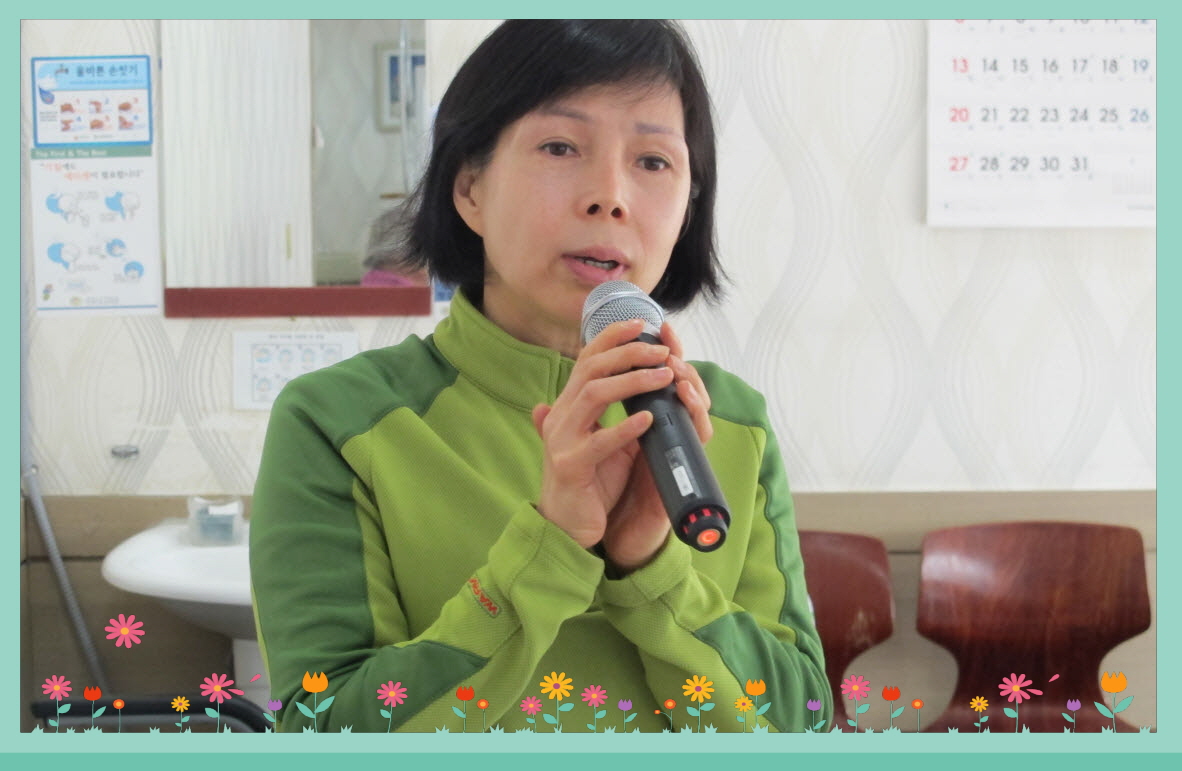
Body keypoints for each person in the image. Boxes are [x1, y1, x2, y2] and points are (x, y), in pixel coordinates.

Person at [250, 19, 831, 733]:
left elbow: (800, 724)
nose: (610, 196)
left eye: (653, 161)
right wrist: (550, 544)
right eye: (560, 147)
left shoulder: (732, 420)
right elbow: (325, 730)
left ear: (688, 208)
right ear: (470, 188)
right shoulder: (335, 420)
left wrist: (653, 569)